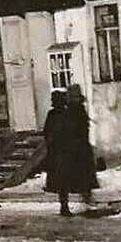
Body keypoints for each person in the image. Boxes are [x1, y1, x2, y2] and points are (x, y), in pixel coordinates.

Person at [47, 85, 98, 216]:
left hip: (74, 150)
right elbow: (55, 133)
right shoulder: (67, 113)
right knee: (70, 179)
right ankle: (68, 205)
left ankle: (81, 202)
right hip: (69, 150)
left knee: (75, 178)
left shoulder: (75, 112)